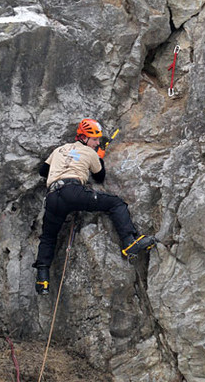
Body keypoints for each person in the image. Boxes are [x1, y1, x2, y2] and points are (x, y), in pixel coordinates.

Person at [33, 118, 156, 294]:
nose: (97, 142)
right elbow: (99, 177)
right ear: (84, 138)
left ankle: (42, 280)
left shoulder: (59, 150)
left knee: (48, 237)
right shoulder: (90, 153)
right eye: (95, 139)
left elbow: (43, 172)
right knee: (115, 203)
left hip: (53, 196)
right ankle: (129, 241)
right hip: (73, 191)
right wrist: (99, 156)